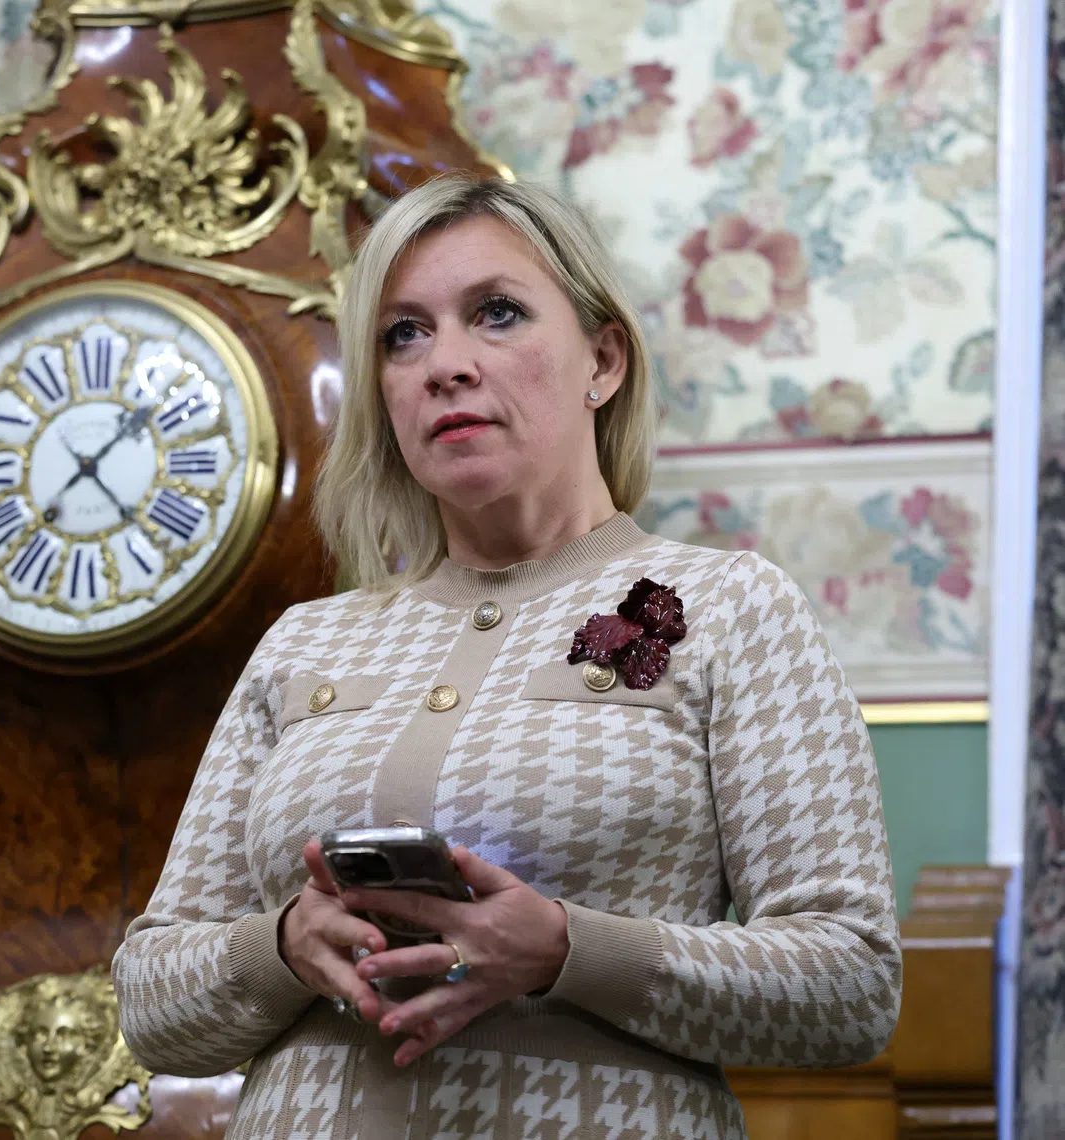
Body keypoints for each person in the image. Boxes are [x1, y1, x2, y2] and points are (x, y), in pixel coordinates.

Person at [112, 175, 902, 1139]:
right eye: (403, 334)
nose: (445, 363)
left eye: (496, 314)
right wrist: (282, 945)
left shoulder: (731, 609)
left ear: (602, 360)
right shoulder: (305, 641)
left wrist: (568, 950)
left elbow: (851, 983)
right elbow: (152, 1008)